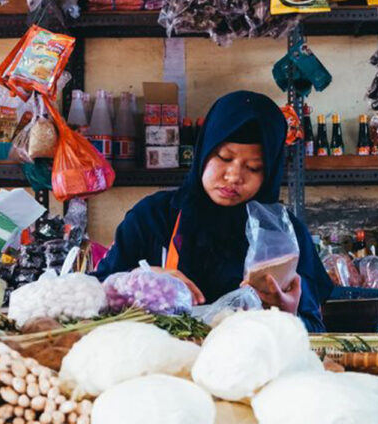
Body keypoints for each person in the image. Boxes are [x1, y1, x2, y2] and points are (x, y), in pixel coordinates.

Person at [96, 91, 333, 331]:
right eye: (224, 157)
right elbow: (96, 295)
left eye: (253, 167)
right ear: (204, 151)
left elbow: (315, 329)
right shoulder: (152, 217)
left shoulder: (285, 238)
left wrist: (289, 315)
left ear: (270, 173)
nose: (233, 177)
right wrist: (139, 278)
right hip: (160, 363)